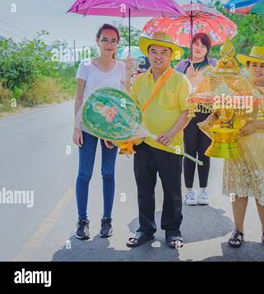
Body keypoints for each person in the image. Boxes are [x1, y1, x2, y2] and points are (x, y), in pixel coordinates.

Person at [203, 46, 264, 249]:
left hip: (262, 148)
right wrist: (212, 117)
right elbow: (223, 107)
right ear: (247, 67)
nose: (258, 69)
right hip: (237, 145)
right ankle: (238, 230)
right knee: (239, 190)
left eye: (262, 66)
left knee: (262, 190)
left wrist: (253, 126)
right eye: (254, 65)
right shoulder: (237, 86)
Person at [126, 32, 191, 249]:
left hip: (170, 144)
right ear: (147, 54)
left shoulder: (180, 79)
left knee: (172, 190)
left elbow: (186, 112)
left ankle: (173, 231)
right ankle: (145, 229)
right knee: (144, 189)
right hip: (143, 143)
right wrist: (133, 131)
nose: (158, 56)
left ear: (171, 55)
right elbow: (132, 110)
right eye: (153, 51)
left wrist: (171, 133)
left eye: (164, 52)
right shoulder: (139, 80)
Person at [72, 23, 132, 240]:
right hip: (88, 127)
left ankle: (107, 220)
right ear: (97, 41)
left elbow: (127, 100)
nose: (109, 44)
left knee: (108, 173)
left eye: (113, 40)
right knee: (85, 174)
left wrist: (130, 73)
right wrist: (76, 126)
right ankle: (82, 221)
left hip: (111, 129)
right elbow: (79, 97)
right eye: (105, 39)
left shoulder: (121, 67)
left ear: (118, 44)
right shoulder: (86, 65)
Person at [175, 33, 217, 206]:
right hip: (188, 115)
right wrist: (188, 78)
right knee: (189, 152)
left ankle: (204, 191)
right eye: (196, 43)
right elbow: (175, 89)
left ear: (207, 49)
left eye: (203, 45)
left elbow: (219, 88)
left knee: (205, 152)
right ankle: (190, 191)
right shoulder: (182, 66)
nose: (199, 47)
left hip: (207, 114)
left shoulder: (213, 65)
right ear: (191, 45)